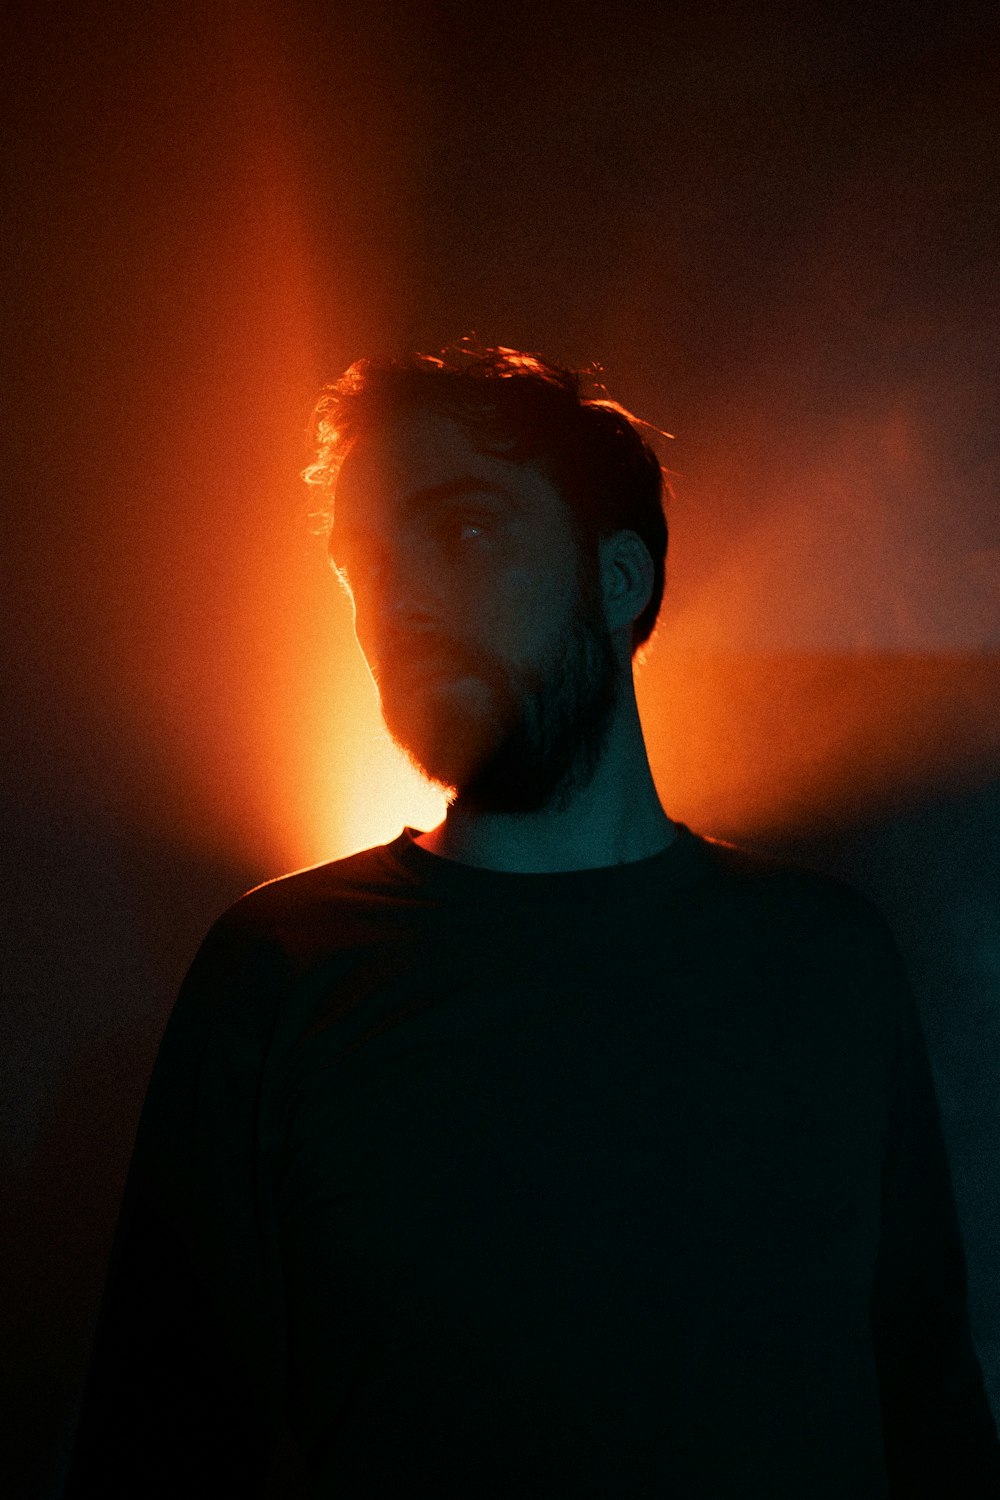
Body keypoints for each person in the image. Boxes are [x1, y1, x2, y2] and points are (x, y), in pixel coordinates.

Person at [63, 341, 1000, 1497]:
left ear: (618, 583)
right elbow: (157, 1446)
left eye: (460, 530)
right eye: (367, 561)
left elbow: (929, 1414)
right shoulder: (278, 973)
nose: (399, 597)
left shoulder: (828, 962)